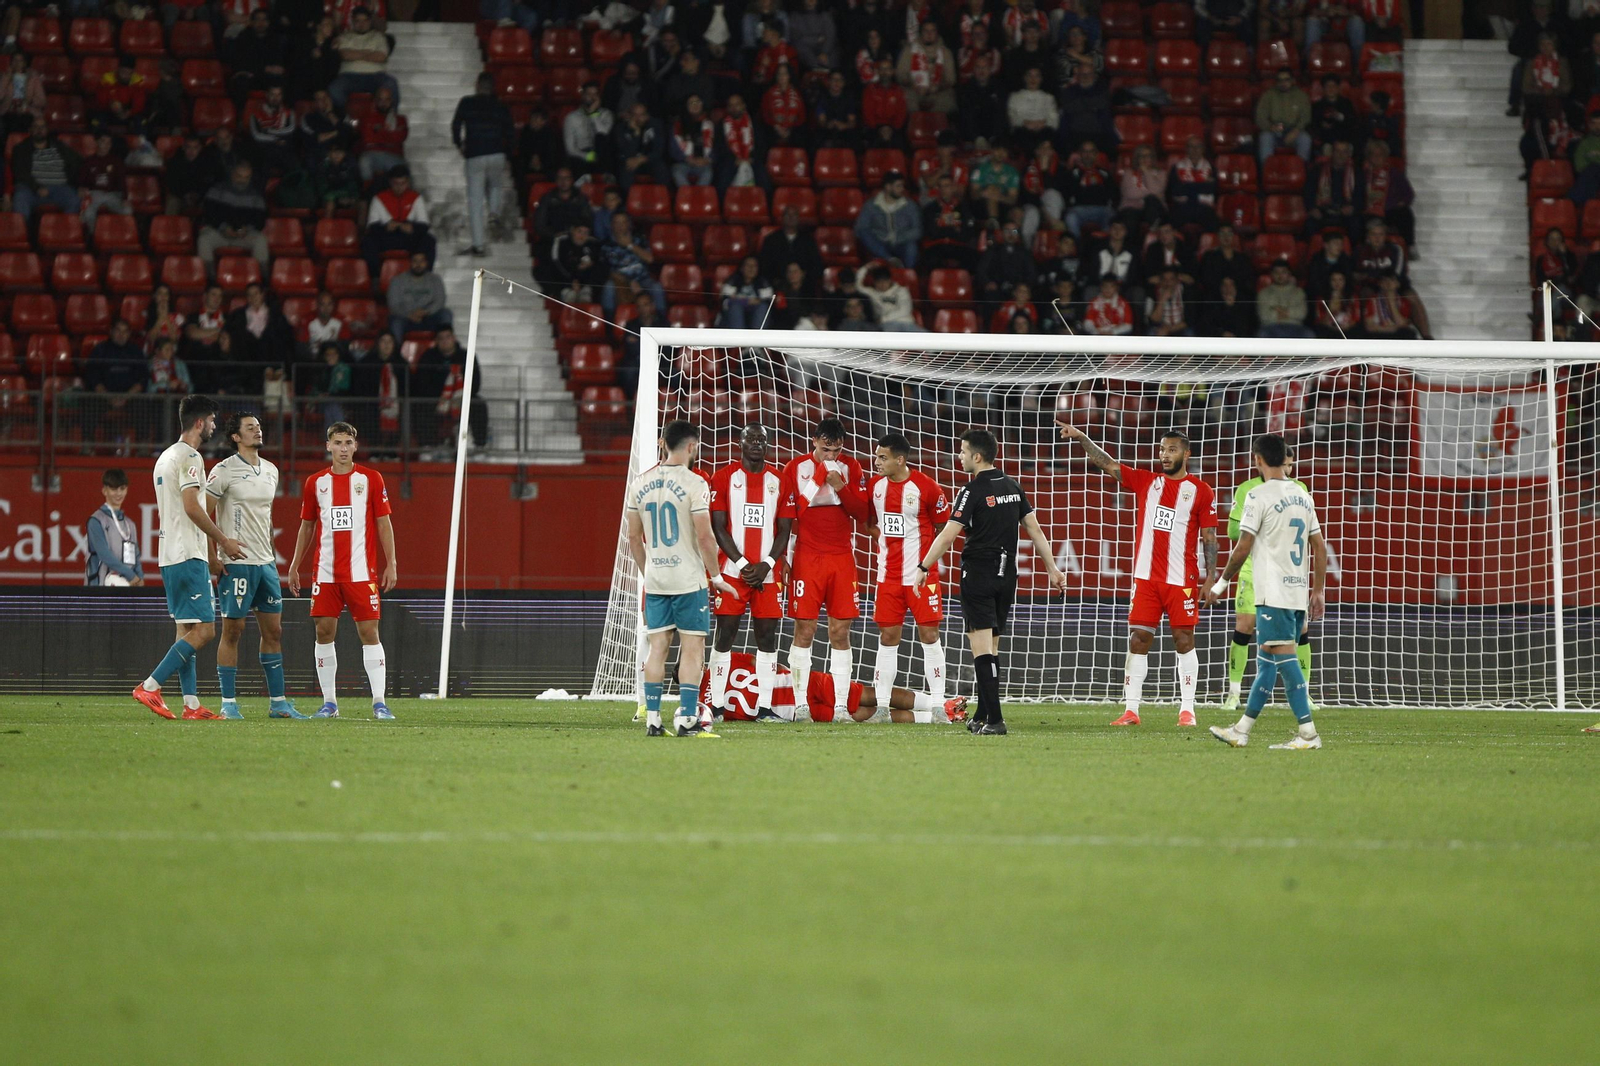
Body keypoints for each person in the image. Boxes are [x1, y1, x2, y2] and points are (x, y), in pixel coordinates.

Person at [1058, 424, 1219, 728]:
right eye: (1162, 449)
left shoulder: (1200, 490)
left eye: (1172, 449)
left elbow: (1210, 537)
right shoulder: (1148, 482)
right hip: (1145, 580)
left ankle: (1187, 710)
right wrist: (1082, 438)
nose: (1165, 455)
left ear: (1186, 453)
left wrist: (1210, 579)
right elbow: (1107, 463)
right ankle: (1132, 710)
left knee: (1184, 640)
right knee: (1139, 639)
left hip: (1181, 580)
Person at [913, 429, 1067, 734]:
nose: (959, 457)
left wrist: (924, 565)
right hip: (1007, 575)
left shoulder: (972, 490)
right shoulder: (1013, 485)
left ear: (977, 456)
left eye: (962, 451)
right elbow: (1034, 529)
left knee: (981, 650)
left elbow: (947, 535)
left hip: (980, 574)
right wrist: (1053, 569)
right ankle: (983, 714)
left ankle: (996, 720)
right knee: (992, 648)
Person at [1205, 433, 1327, 750]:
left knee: (1283, 659)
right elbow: (1319, 546)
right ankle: (1241, 730)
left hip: (1273, 591)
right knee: (1266, 661)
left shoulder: (1258, 495)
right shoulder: (1302, 495)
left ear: (1258, 459)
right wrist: (1318, 591)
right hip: (1296, 590)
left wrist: (1220, 582)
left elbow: (1242, 546)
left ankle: (1308, 734)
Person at [130, 395, 248, 721]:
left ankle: (192, 705)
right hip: (187, 553)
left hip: (170, 553)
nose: (213, 426)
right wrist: (222, 540)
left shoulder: (165, 457)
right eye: (211, 420)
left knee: (186, 630)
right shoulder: (191, 458)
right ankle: (151, 685)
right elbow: (192, 506)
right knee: (206, 631)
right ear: (199, 422)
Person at [625, 420, 736, 737]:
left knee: (657, 647)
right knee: (692, 648)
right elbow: (705, 537)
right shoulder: (694, 484)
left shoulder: (639, 483)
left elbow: (634, 539)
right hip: (689, 580)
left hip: (657, 579)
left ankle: (653, 720)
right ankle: (687, 717)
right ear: (690, 446)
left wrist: (651, 572)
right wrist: (715, 576)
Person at [285, 421, 399, 720]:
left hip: (362, 573)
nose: (343, 448)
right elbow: (306, 526)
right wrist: (295, 565)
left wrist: (392, 563)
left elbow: (384, 522)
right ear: (328, 446)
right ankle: (330, 703)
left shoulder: (371, 479)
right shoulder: (315, 483)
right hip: (325, 573)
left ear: (355, 446)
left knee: (369, 631)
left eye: (348, 442)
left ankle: (379, 702)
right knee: (324, 632)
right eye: (338, 443)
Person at [205, 412, 307, 719]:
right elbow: (203, 515)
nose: (257, 431)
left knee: (274, 631)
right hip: (237, 565)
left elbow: (267, 516)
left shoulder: (271, 471)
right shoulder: (223, 471)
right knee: (233, 631)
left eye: (259, 427)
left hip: (265, 564)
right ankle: (228, 704)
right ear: (236, 437)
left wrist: (274, 556)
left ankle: (278, 702)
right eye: (250, 428)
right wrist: (215, 555)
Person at [781, 418, 871, 723]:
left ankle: (843, 707)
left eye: (837, 449)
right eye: (826, 448)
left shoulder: (852, 467)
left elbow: (861, 513)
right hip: (807, 555)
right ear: (815, 441)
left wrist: (840, 486)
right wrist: (820, 476)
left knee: (840, 631)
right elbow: (791, 513)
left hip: (841, 557)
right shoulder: (795, 467)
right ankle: (800, 704)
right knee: (804, 629)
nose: (832, 454)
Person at [704, 425, 795, 722]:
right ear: (740, 443)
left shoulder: (779, 481)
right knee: (725, 634)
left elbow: (785, 530)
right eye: (751, 439)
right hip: (732, 574)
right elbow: (718, 527)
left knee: (767, 638)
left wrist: (767, 563)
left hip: (767, 576)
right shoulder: (723, 478)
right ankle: (717, 705)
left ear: (767, 445)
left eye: (761, 440)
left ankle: (765, 708)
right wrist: (743, 565)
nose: (756, 443)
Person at [1221, 446, 1314, 713]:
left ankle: (1303, 694)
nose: (1288, 470)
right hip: (1254, 568)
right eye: (1284, 464)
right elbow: (1231, 530)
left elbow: (1311, 534)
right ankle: (1234, 693)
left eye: (1291, 466)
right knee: (1246, 625)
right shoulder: (1248, 489)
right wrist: (1262, 524)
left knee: (1301, 631)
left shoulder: (1299, 488)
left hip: (1288, 571)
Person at [867, 432, 952, 713]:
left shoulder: (927, 488)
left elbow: (944, 529)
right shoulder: (875, 488)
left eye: (883, 457)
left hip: (921, 577)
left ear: (900, 460)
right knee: (888, 637)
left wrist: (926, 562)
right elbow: (870, 522)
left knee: (929, 635)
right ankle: (881, 708)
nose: (877, 461)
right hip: (887, 577)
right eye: (877, 456)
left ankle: (939, 705)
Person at [704, 650, 969, 723]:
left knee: (860, 702)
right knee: (861, 701)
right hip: (794, 688)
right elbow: (757, 659)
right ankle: (936, 711)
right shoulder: (719, 663)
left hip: (789, 709)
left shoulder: (700, 706)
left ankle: (936, 710)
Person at [452, 73, 514, 257]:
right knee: (495, 185)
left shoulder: (466, 102)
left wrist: (459, 143)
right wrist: (508, 155)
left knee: (476, 201)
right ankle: (494, 213)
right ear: (493, 87)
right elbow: (510, 132)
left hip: (475, 154)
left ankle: (478, 245)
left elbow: (456, 125)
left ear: (477, 85)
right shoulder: (501, 106)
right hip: (496, 152)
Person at [198, 161, 270, 279]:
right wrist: (223, 227)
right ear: (232, 174)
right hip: (220, 232)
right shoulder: (217, 189)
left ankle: (261, 281)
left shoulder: (256, 196)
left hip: (243, 235)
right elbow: (209, 214)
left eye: (246, 177)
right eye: (239, 176)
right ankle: (208, 279)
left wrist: (247, 229)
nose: (242, 180)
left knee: (260, 240)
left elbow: (260, 221)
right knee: (204, 239)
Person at [363, 166, 434, 274]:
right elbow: (372, 226)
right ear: (390, 183)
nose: (399, 187)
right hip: (387, 237)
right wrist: (386, 228)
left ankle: (425, 274)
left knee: (429, 240)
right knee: (367, 241)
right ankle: (375, 276)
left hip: (408, 237)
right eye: (396, 183)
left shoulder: (415, 198)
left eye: (403, 183)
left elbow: (424, 224)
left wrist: (412, 228)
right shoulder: (379, 198)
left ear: (408, 183)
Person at [10, 116, 83, 220]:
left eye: (42, 127)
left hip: (59, 188)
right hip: (31, 189)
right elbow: (20, 173)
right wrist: (37, 187)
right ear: (30, 130)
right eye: (36, 127)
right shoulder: (21, 149)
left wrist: (78, 184)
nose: (39, 130)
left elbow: (78, 162)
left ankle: (62, 232)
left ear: (47, 130)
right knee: (20, 198)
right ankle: (23, 235)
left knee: (74, 200)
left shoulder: (59, 146)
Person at [328, 7, 399, 110]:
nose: (361, 24)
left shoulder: (379, 37)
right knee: (334, 88)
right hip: (349, 76)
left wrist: (355, 53)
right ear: (352, 21)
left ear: (370, 21)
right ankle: (343, 117)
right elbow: (345, 55)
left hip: (376, 76)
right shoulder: (344, 37)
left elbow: (381, 57)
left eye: (365, 20)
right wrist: (369, 53)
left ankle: (391, 117)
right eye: (358, 21)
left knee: (391, 83)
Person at [601, 212, 666, 318]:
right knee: (608, 287)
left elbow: (650, 259)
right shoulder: (606, 245)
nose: (620, 226)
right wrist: (629, 282)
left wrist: (630, 245)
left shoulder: (639, 240)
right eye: (616, 223)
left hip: (643, 279)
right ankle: (609, 325)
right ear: (611, 225)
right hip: (620, 281)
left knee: (657, 288)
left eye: (623, 222)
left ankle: (660, 322)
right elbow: (606, 271)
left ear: (629, 224)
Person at [86, 469, 143, 587]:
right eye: (113, 489)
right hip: (100, 586)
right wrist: (131, 576)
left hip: (128, 585)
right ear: (104, 491)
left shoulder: (130, 524)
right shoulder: (96, 521)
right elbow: (104, 554)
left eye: (122, 489)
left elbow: (136, 555)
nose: (118, 493)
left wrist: (139, 577)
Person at [386, 250, 452, 345]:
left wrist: (425, 312)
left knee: (446, 314)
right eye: (415, 261)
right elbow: (393, 304)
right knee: (395, 322)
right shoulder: (398, 280)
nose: (418, 264)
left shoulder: (435, 279)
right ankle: (395, 356)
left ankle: (446, 350)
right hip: (406, 319)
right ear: (410, 262)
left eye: (421, 261)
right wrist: (409, 314)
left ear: (426, 263)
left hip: (429, 317)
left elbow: (440, 300)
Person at [856, 173, 922, 267]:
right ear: (888, 187)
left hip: (901, 243)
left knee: (911, 246)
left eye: (903, 186)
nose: (902, 189)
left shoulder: (910, 205)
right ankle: (889, 259)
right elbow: (861, 228)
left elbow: (918, 230)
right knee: (864, 232)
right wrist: (882, 236)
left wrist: (896, 237)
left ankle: (908, 274)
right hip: (879, 243)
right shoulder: (871, 205)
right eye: (898, 186)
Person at [1255, 67, 1312, 163]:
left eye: (1286, 80)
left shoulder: (1301, 96)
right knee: (1265, 138)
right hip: (1273, 130)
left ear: (1292, 80)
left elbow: (1306, 117)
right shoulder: (1268, 95)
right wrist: (1270, 127)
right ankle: (1266, 172)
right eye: (1280, 80)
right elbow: (1260, 117)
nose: (1283, 83)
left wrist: (1297, 130)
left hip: (1294, 130)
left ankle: (1302, 171)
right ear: (1276, 82)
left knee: (1305, 139)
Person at [354, 85, 408, 184]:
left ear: (391, 101)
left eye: (387, 100)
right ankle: (368, 195)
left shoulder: (400, 119)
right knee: (364, 161)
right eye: (380, 99)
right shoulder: (367, 118)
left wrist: (378, 131)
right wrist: (389, 133)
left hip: (393, 156)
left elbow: (399, 138)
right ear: (375, 100)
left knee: (403, 172)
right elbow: (368, 139)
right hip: (371, 155)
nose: (384, 103)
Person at [1258, 260, 1313, 338]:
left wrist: (1277, 309)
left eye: (1283, 272)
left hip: (1295, 326)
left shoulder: (1298, 292)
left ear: (1289, 274)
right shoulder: (1264, 293)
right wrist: (1289, 312)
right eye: (1276, 272)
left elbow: (1301, 314)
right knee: (1262, 334)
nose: (1280, 275)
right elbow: (1264, 316)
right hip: (1271, 327)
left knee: (1308, 334)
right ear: (1272, 275)